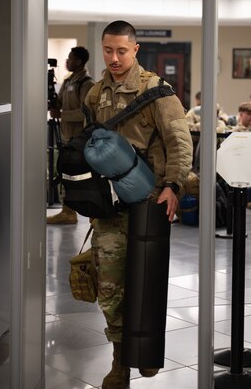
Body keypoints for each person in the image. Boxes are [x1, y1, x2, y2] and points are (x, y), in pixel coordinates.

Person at [84, 20, 193, 389]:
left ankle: (145, 351)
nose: (114, 58)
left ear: (135, 50)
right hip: (109, 207)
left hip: (148, 203)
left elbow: (180, 141)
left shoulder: (157, 92)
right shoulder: (95, 94)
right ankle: (120, 363)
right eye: (108, 50)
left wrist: (174, 186)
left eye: (121, 51)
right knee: (111, 285)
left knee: (146, 280)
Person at [47, 46, 94, 224]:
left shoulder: (86, 83)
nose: (67, 61)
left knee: (80, 175)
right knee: (65, 173)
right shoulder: (68, 82)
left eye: (70, 58)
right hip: (67, 137)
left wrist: (62, 115)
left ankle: (82, 212)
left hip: (80, 139)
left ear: (79, 61)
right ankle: (67, 211)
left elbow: (86, 112)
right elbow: (59, 103)